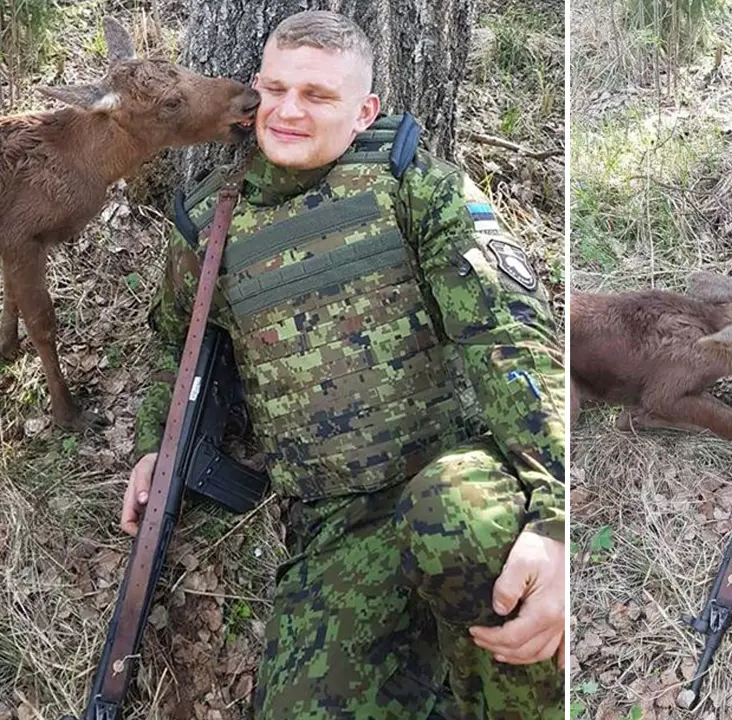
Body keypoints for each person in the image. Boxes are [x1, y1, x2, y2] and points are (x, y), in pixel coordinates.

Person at [119, 10, 566, 719]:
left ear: (364, 112)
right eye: (276, 89)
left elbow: (511, 342)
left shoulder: (418, 187)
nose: (289, 111)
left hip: (465, 477)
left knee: (457, 515)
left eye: (318, 96)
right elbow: (176, 345)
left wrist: (556, 517)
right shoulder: (213, 222)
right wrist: (155, 443)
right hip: (337, 523)